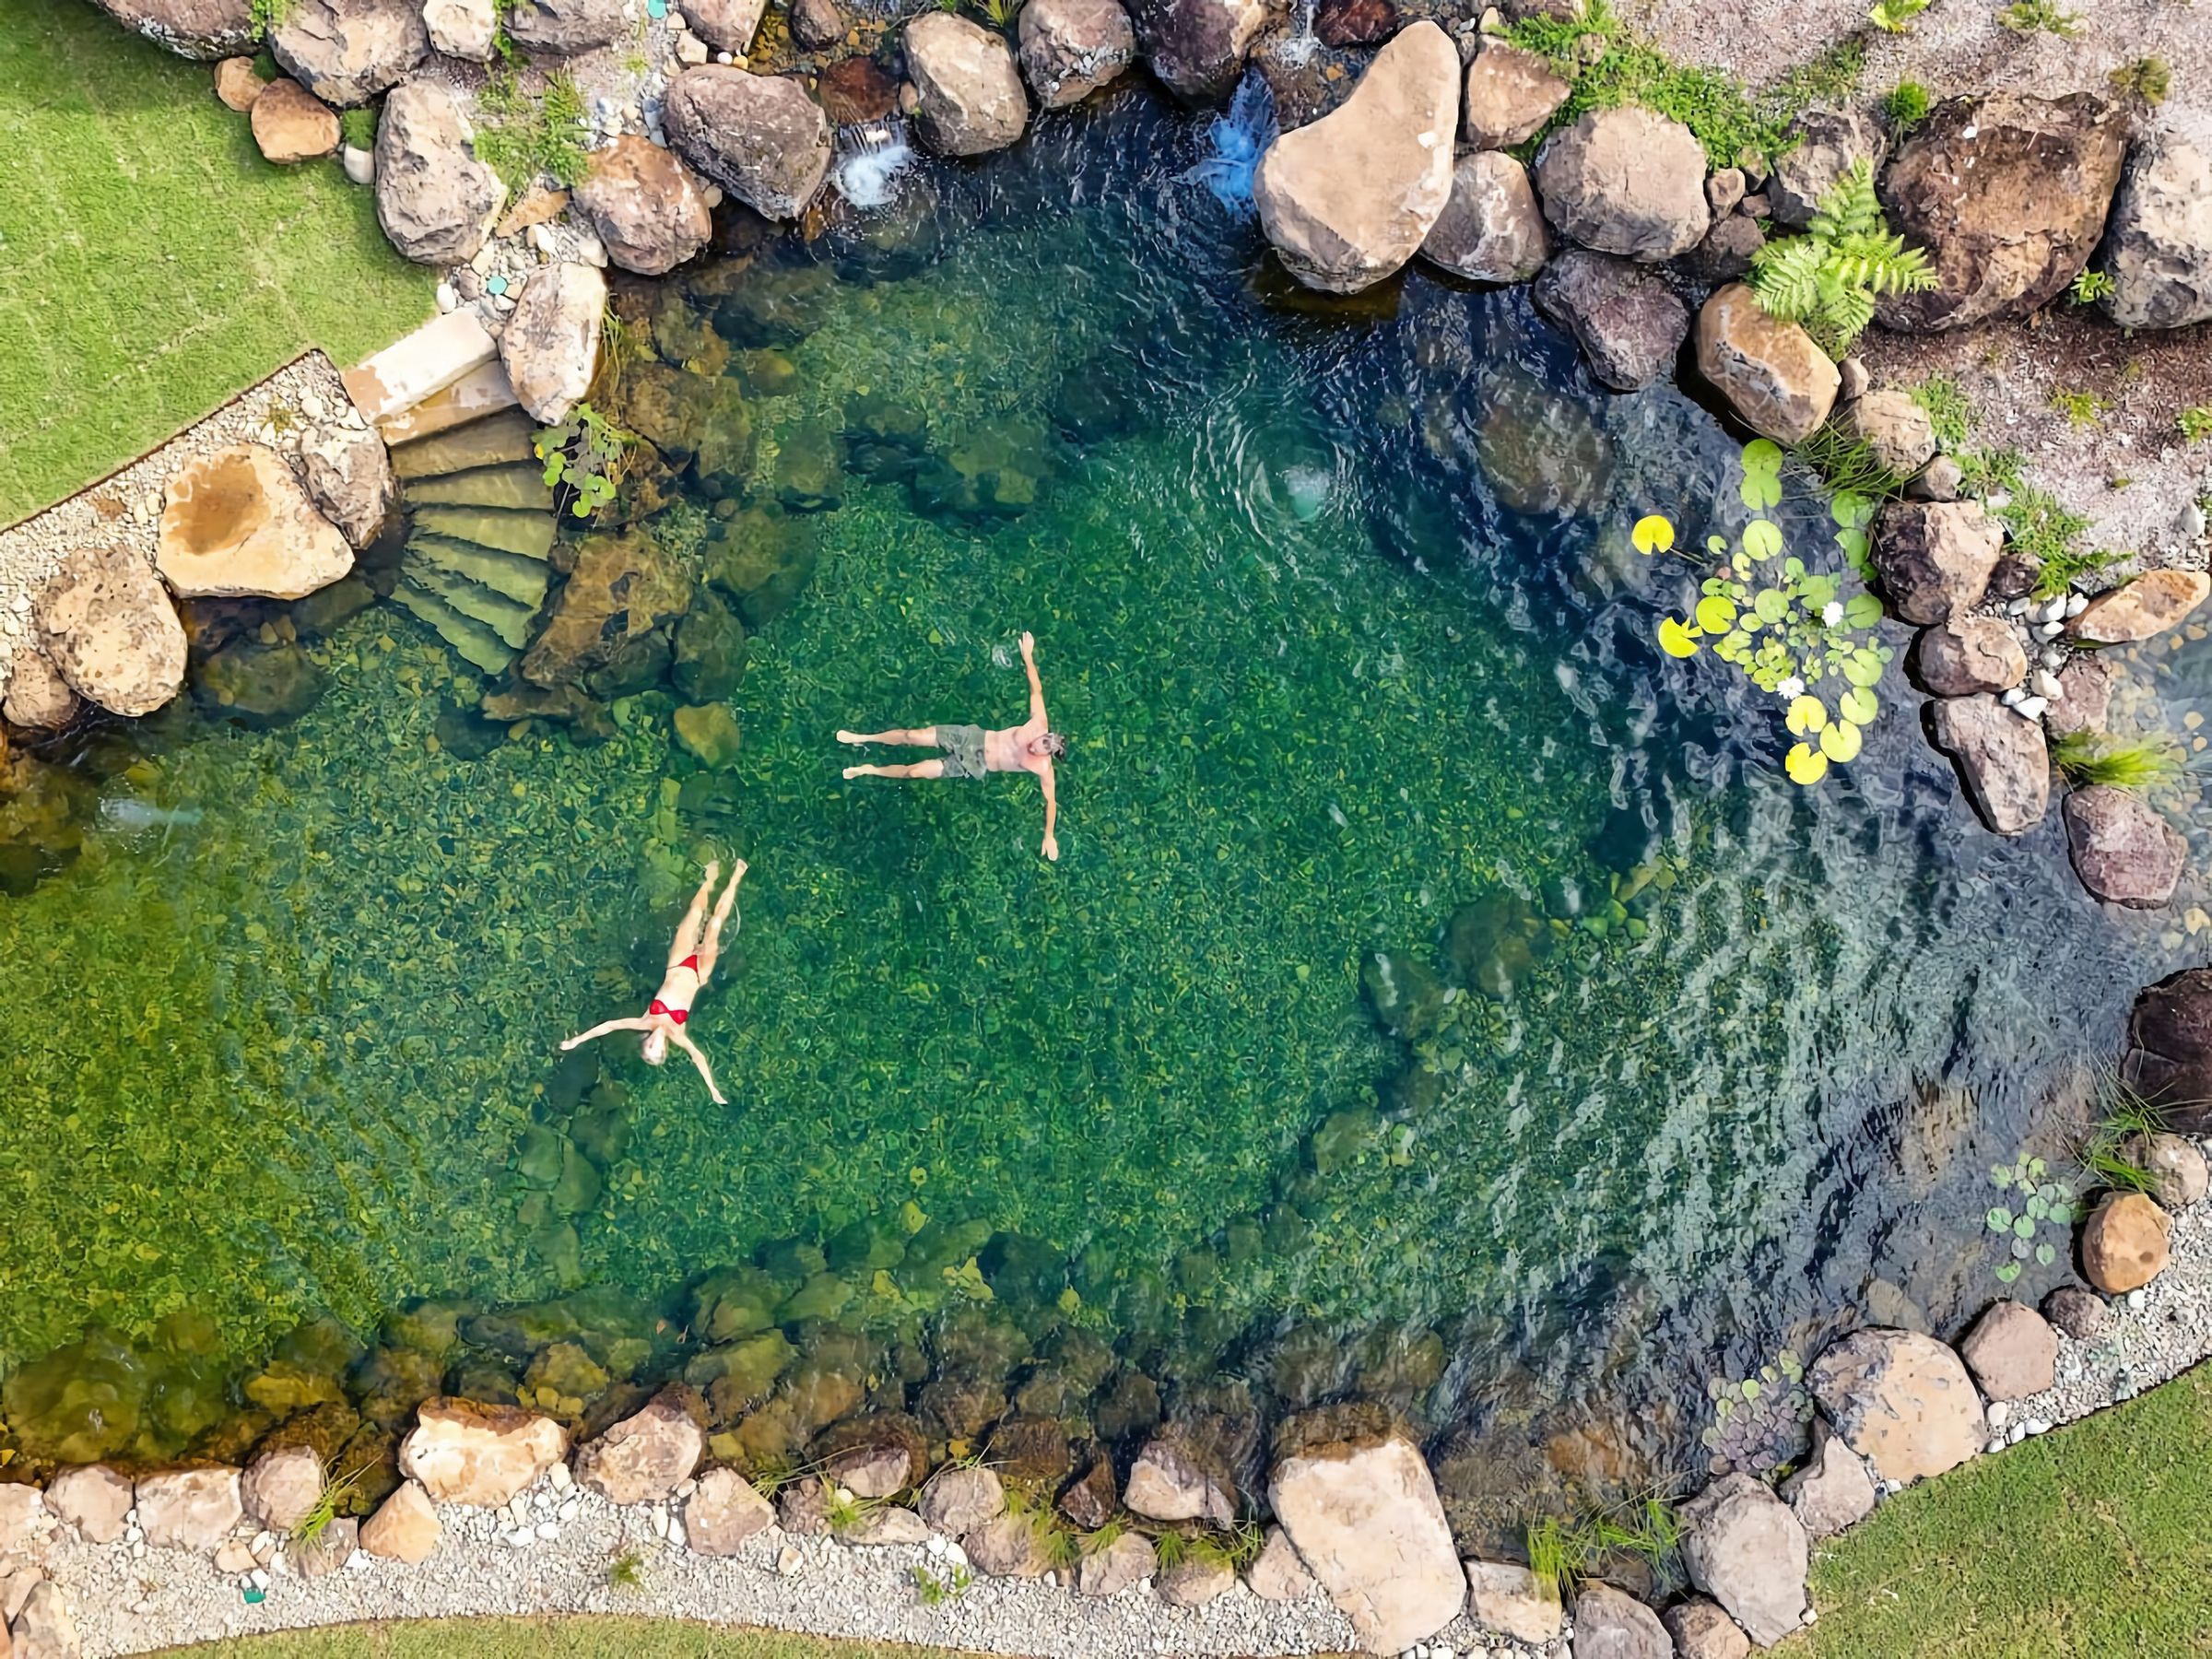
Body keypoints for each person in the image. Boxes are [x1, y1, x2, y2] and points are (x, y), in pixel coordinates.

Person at [839, 630, 1065, 861]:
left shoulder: (1042, 768)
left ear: (1048, 755)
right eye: (1043, 741)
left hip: (973, 763)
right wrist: (1027, 655)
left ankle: (870, 770)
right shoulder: (1038, 723)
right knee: (912, 735)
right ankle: (865, 737)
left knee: (915, 772)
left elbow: (1051, 801)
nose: (1037, 746)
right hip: (970, 738)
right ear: (1045, 734)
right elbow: (1036, 689)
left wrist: (1049, 835)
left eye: (1044, 749)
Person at [559, 860, 746, 1102]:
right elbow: (698, 1057)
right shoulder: (678, 1033)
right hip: (699, 973)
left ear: (645, 1043)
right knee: (716, 924)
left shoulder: (643, 1021)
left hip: (677, 964)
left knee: (695, 913)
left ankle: (709, 881)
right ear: (665, 1048)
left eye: (648, 1047)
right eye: (658, 1050)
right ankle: (736, 877)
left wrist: (577, 1040)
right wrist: (712, 1089)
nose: (654, 1044)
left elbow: (609, 1026)